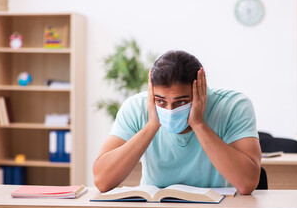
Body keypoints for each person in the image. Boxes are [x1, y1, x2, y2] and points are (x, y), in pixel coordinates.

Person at [93, 50, 261, 195]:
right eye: (161, 101)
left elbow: (247, 184)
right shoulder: (136, 107)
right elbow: (102, 180)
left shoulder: (233, 106)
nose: (170, 110)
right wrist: (152, 125)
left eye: (181, 102)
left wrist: (199, 124)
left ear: (201, 91)